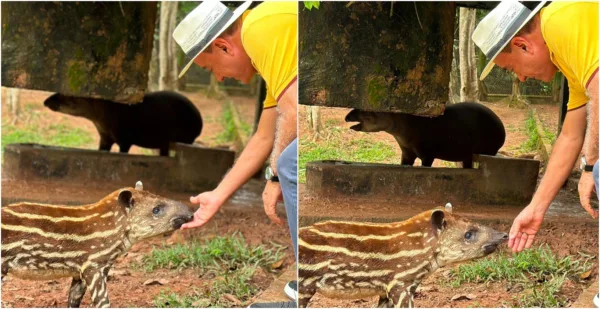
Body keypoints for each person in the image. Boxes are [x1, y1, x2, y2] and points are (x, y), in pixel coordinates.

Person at [172, 1, 298, 307]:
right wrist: (217, 195)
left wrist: (274, 176)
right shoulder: (264, 49)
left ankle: (311, 285)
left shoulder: (259, 30)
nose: (217, 78)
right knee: (286, 160)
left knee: (290, 165)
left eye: (209, 67)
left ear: (224, 47)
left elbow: (295, 113)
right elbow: (265, 135)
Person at [472, 0, 598, 253]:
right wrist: (536, 207)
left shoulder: (558, 20)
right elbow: (571, 135)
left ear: (522, 45)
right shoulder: (569, 60)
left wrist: (591, 166)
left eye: (511, 67)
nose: (520, 77)